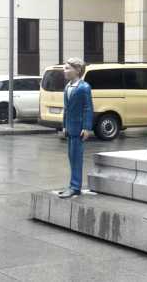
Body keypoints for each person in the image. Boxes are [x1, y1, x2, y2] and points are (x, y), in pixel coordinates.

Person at [57, 58, 93, 198]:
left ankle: (75, 186)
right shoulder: (67, 87)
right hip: (70, 127)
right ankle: (72, 184)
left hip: (79, 128)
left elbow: (88, 108)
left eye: (67, 68)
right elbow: (66, 108)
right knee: (71, 156)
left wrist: (86, 127)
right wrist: (64, 125)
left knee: (77, 156)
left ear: (77, 71)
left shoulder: (84, 87)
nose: (64, 71)